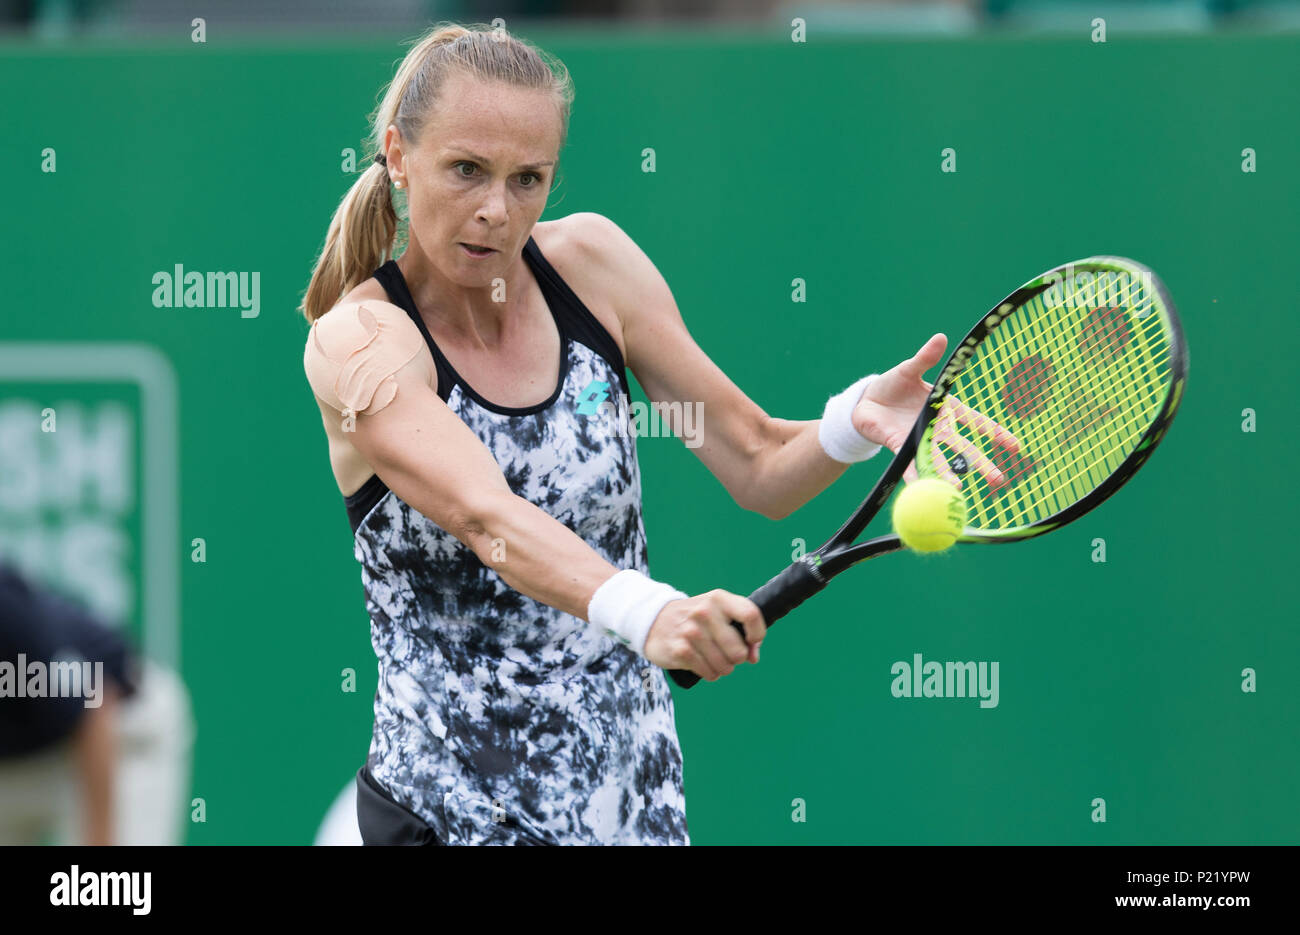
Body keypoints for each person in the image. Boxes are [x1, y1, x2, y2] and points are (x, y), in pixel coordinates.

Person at [299, 22, 960, 846]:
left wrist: (851, 423)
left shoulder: (593, 267)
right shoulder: (357, 342)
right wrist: (647, 611)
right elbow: (485, 516)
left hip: (632, 811)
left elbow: (757, 461)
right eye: (466, 169)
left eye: (528, 178)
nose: (496, 209)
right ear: (399, 156)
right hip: (446, 818)